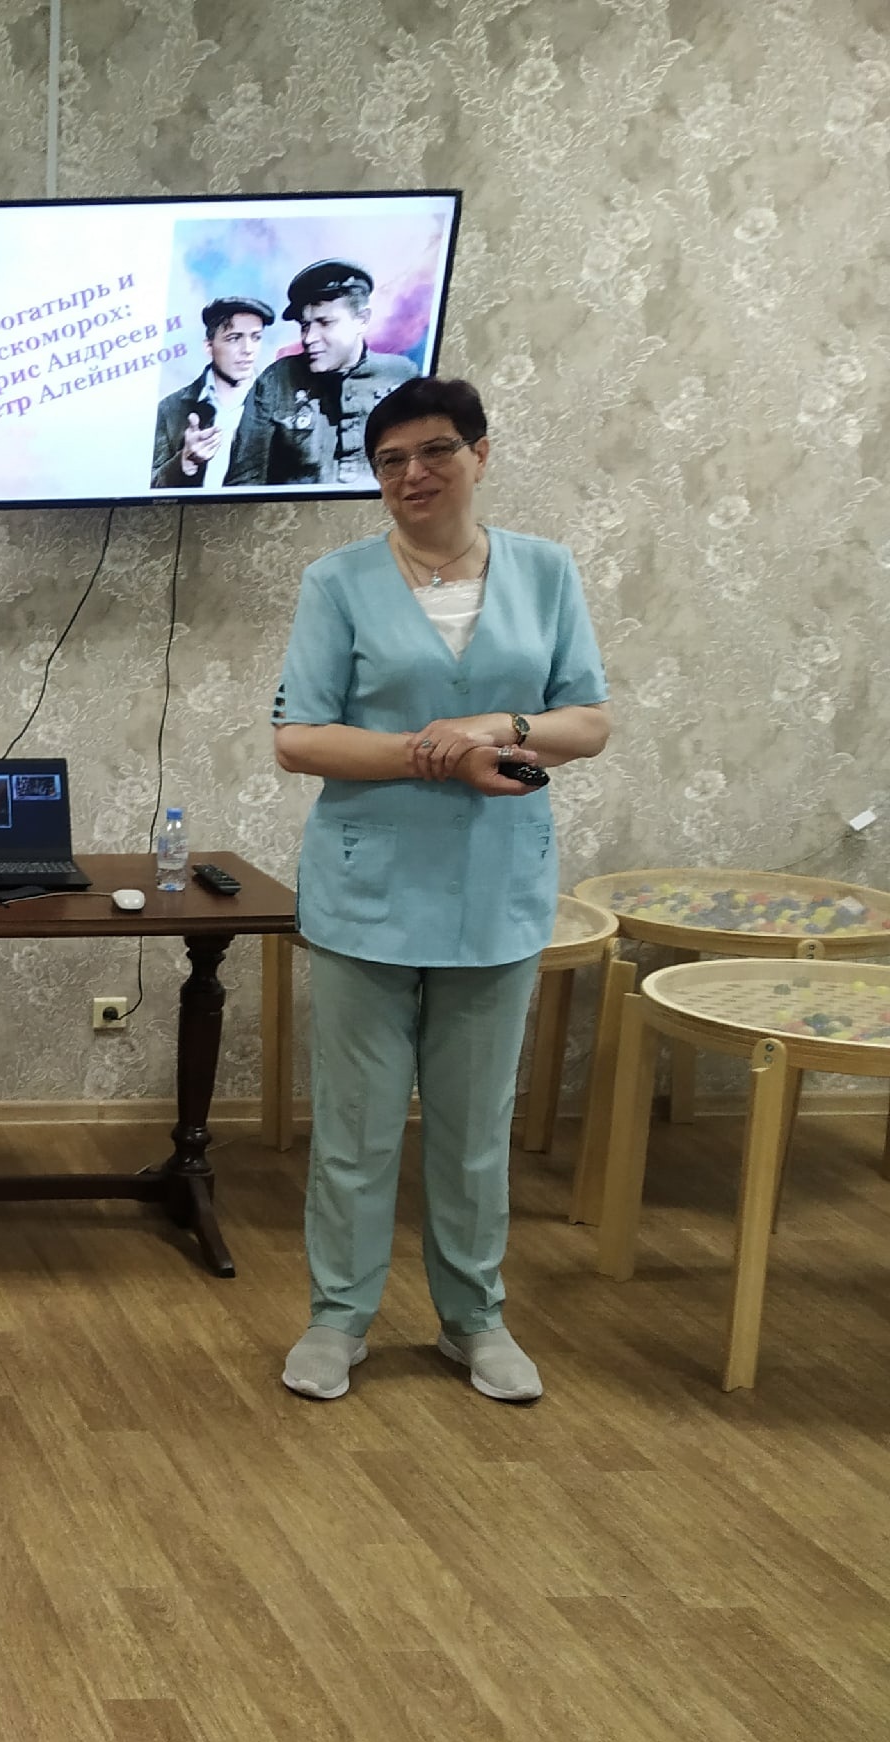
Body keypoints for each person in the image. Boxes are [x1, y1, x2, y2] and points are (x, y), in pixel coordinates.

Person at [269, 376, 611, 1404]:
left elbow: (586, 721)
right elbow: (299, 738)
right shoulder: (337, 583)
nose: (413, 474)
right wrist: (439, 756)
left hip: (494, 893)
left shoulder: (545, 572)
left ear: (479, 454)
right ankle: (337, 1319)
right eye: (390, 461)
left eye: (435, 451)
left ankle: (475, 1321)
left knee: (472, 1132)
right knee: (357, 1129)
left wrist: (500, 728)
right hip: (366, 894)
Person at [224, 260, 417, 488]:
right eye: (304, 325)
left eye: (325, 323)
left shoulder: (403, 376)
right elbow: (243, 483)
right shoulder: (276, 381)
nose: (308, 338)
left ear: (362, 320)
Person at [150, 295, 272, 488]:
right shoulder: (170, 409)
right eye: (234, 338)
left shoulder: (278, 403)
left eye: (256, 337)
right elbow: (147, 485)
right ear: (209, 347)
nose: (248, 349)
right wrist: (184, 462)